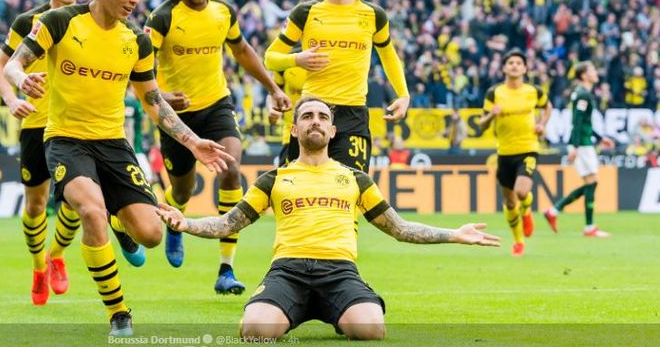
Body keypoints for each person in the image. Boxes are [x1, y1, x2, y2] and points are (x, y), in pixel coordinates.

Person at [3, 0, 234, 336]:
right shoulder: (60, 22)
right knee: (89, 211)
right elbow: (11, 64)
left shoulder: (136, 42)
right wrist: (22, 80)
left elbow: (154, 102)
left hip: (114, 144)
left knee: (152, 235)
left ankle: (117, 215)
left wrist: (193, 141)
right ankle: (119, 313)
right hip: (65, 141)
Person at [157, 97, 500, 341]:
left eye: (322, 117)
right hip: (287, 271)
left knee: (371, 330)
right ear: (294, 130)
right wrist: (185, 224)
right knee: (254, 333)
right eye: (307, 116)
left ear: (333, 131)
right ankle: (292, 309)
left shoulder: (355, 178)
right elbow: (229, 223)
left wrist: (454, 234)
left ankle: (333, 308)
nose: (316, 121)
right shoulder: (274, 178)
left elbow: (399, 228)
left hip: (339, 272)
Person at [144, 0, 290, 293]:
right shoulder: (162, 18)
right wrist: (162, 97)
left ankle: (226, 268)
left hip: (216, 106)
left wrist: (272, 87)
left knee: (230, 169)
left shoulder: (224, 13)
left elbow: (241, 51)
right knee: (182, 188)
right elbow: (141, 68)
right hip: (176, 115)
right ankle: (175, 225)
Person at [264, 0, 410, 173]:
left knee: (349, 192)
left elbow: (388, 55)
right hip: (312, 112)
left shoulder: (374, 15)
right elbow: (270, 58)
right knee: (305, 193)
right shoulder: (304, 12)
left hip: (353, 113)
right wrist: (297, 59)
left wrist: (403, 95)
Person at [0, 0, 83, 306]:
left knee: (76, 202)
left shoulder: (90, 18)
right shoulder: (28, 22)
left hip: (74, 125)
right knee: (35, 205)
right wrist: (12, 100)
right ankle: (37, 268)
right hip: (35, 124)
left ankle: (56, 255)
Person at [478, 49, 552, 257]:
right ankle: (518, 241)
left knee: (521, 191)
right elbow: (482, 125)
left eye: (519, 63)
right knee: (510, 202)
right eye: (510, 62)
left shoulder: (533, 91)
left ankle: (526, 208)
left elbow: (548, 107)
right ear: (504, 68)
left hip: (528, 148)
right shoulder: (494, 93)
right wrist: (491, 115)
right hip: (504, 152)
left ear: (525, 68)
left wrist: (542, 124)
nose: (514, 66)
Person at [544, 62, 615, 237]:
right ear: (584, 75)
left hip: (584, 141)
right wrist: (574, 146)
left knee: (591, 182)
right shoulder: (582, 95)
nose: (595, 72)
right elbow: (576, 122)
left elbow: (585, 122)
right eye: (591, 70)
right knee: (592, 182)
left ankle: (556, 212)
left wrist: (600, 138)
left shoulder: (582, 93)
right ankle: (586, 226)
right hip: (581, 144)